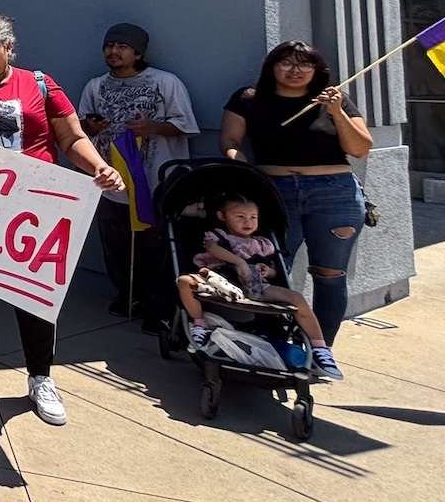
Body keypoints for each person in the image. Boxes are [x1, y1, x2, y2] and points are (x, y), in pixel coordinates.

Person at [0, 11, 122, 427]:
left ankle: (41, 377)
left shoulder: (38, 85)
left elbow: (70, 137)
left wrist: (99, 167)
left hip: (35, 209)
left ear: (9, 48)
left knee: (34, 295)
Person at [219, 40, 372, 347]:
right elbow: (230, 141)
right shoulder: (248, 98)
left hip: (335, 194)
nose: (295, 70)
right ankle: (272, 341)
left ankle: (320, 349)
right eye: (286, 63)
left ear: (317, 69)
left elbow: (360, 149)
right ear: (271, 67)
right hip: (274, 193)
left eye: (304, 63)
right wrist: (241, 164)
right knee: (269, 271)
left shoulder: (335, 99)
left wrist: (337, 112)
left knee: (329, 274)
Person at [77, 23, 197, 330]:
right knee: (115, 243)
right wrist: (92, 126)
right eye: (109, 45)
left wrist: (152, 128)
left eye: (122, 46)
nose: (113, 51)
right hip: (110, 181)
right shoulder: (95, 85)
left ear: (138, 52)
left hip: (154, 180)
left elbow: (184, 124)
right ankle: (128, 294)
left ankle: (158, 306)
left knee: (155, 245)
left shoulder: (165, 82)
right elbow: (80, 130)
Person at [174, 194, 343, 378]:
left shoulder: (262, 244)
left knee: (297, 298)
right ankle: (199, 325)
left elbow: (273, 271)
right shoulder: (217, 236)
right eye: (240, 217)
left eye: (253, 217)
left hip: (254, 287)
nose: (248, 222)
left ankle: (319, 348)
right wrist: (240, 262)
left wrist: (266, 271)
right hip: (220, 281)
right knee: (184, 282)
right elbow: (212, 249)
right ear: (223, 216)